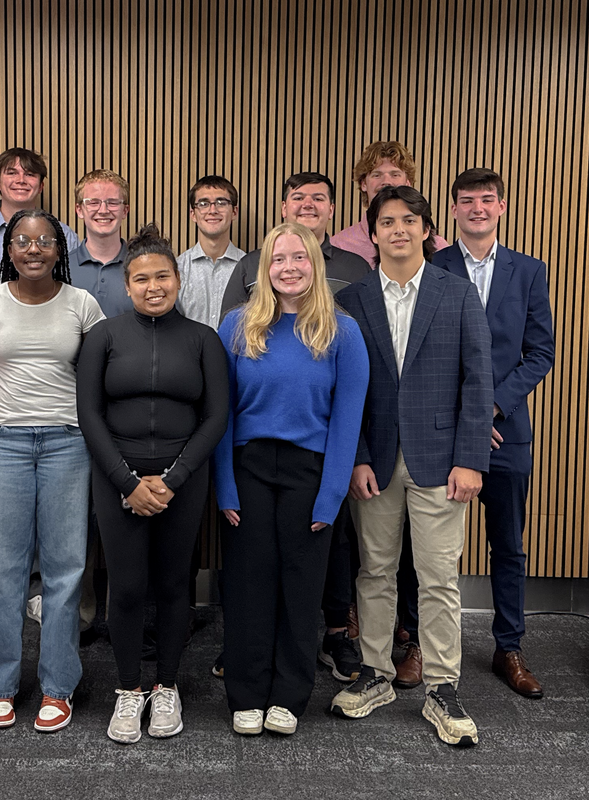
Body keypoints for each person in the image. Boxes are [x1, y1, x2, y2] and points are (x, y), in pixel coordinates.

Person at [331, 186, 493, 747]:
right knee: (373, 571)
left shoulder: (456, 292)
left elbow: (479, 380)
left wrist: (471, 459)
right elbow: (343, 387)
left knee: (438, 576)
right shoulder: (352, 298)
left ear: (427, 228)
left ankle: (443, 688)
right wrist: (353, 457)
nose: (398, 229)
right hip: (373, 461)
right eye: (387, 221)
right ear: (371, 233)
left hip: (442, 462)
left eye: (409, 220)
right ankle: (374, 674)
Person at [214, 222, 369, 737]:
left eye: (299, 258)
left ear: (315, 264)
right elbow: (222, 415)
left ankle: (288, 694)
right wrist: (225, 485)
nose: (289, 267)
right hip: (248, 468)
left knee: (302, 587)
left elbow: (348, 421)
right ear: (265, 268)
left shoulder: (342, 332)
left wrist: (330, 497)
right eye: (279, 259)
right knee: (248, 584)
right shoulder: (236, 327)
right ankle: (248, 692)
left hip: (311, 472)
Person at [77, 224, 229, 744]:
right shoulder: (102, 337)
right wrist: (127, 482)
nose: (152, 286)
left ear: (178, 279)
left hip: (183, 480)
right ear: (127, 284)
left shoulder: (204, 340)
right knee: (126, 587)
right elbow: (89, 415)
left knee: (171, 587)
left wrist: (172, 479)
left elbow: (216, 417)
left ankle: (165, 687)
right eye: (140, 278)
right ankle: (127, 690)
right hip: (115, 477)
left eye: (162, 275)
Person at [0, 209, 105, 732]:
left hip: (68, 444)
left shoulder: (83, 305)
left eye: (44, 240)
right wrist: (10, 421)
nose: (33, 248)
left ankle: (58, 686)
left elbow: (92, 384)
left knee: (66, 569)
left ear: (58, 249)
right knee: (2, 571)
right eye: (22, 240)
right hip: (1, 443)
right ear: (10, 249)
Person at [433, 168, 555, 698]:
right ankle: (418, 644)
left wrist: (490, 411)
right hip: (445, 434)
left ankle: (509, 647)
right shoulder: (434, 265)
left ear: (502, 207)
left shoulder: (528, 271)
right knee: (432, 549)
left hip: (507, 435)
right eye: (466, 201)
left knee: (507, 545)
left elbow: (541, 353)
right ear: (454, 210)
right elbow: (426, 356)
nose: (477, 208)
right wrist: (468, 418)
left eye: (487, 200)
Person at [218, 171, 368, 319]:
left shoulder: (356, 268)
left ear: (331, 209)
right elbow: (230, 330)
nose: (308, 204)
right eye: (298, 198)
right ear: (284, 208)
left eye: (318, 198)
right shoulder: (250, 265)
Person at [330, 141, 448, 268]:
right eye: (377, 175)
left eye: (395, 174)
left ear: (408, 182)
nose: (386, 182)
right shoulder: (340, 245)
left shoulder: (438, 248)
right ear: (363, 184)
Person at [0, 146, 78, 263]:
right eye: (12, 173)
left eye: (29, 174)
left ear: (40, 186)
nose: (21, 180)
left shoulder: (65, 236)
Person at [175, 175, 246, 329]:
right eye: (204, 203)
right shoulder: (178, 269)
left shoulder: (250, 268)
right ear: (193, 214)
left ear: (234, 212)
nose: (212, 210)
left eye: (221, 203)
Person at [70, 169, 133, 319]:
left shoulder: (143, 266)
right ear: (79, 210)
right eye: (93, 202)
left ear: (125, 211)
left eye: (112, 202)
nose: (103, 210)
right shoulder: (60, 268)